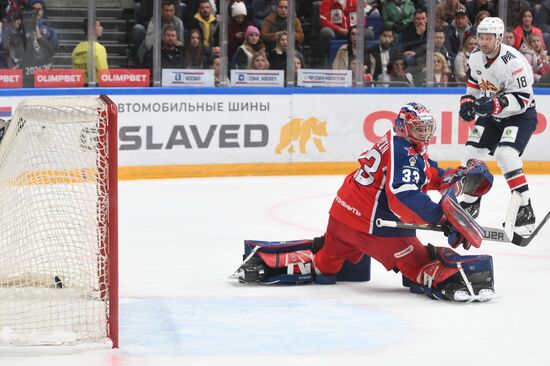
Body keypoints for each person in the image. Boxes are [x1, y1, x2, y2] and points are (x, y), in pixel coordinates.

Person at [458, 17, 538, 234]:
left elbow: (522, 98)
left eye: (488, 38)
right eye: (480, 37)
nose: (483, 42)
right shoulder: (475, 56)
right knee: (469, 154)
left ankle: (525, 207)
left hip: (520, 116)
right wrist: (467, 101)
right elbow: (474, 81)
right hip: (493, 114)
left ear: (499, 38)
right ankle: (471, 202)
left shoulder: (515, 62)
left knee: (506, 155)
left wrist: (496, 103)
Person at [137, 0, 184, 64]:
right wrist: (164, 43)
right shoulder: (154, 21)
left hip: (172, 49)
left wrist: (172, 42)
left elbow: (181, 42)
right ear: (162, 11)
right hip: (155, 49)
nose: (168, 13)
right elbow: (149, 42)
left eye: (171, 10)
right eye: (166, 10)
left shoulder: (178, 22)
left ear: (174, 11)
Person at [71, 19, 108, 84]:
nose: (102, 28)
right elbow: (104, 73)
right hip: (96, 85)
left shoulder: (76, 49)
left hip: (81, 86)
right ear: (92, 29)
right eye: (99, 26)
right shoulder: (99, 48)